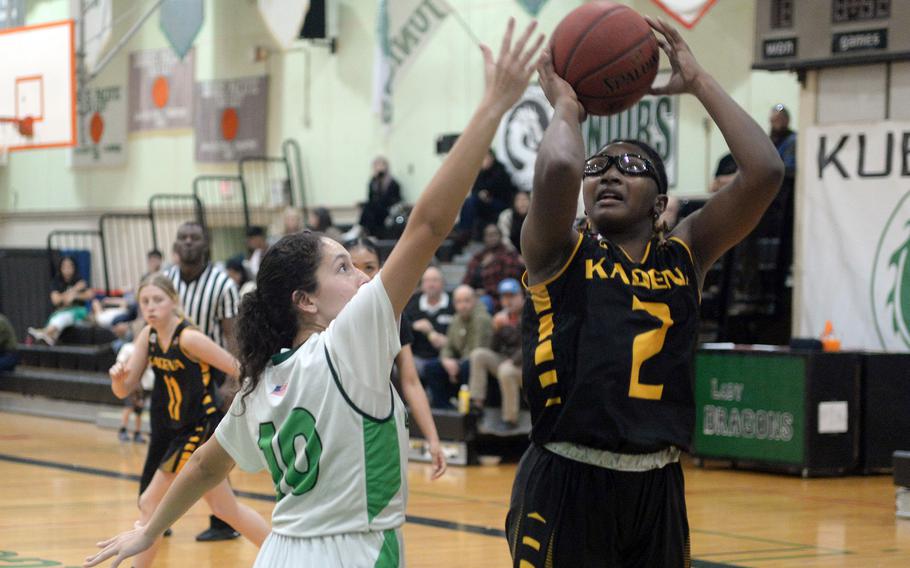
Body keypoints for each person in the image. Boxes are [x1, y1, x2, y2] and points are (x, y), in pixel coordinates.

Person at [83, 19, 542, 568]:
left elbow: (207, 465)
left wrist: (147, 530)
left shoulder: (262, 381)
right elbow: (428, 226)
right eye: (344, 267)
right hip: (355, 551)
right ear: (305, 299)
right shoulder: (349, 341)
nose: (364, 278)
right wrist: (493, 105)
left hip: (279, 553)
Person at [506, 18, 784, 567]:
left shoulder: (686, 255)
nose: (609, 173)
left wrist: (699, 81)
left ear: (661, 203)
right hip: (567, 477)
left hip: (657, 485)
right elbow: (561, 163)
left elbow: (766, 170)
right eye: (599, 166)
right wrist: (566, 105)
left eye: (630, 166)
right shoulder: (558, 250)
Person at [103, 273, 269, 566]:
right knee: (224, 508)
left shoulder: (189, 338)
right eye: (144, 301)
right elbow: (124, 390)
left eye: (158, 300)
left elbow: (238, 369)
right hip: (180, 429)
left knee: (150, 502)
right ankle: (283, 554)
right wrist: (117, 380)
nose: (151, 307)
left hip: (200, 428)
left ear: (173, 302)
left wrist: (246, 405)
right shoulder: (149, 336)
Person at [163, 221, 242, 541]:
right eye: (183, 238)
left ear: (206, 243)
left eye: (195, 238)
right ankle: (157, 512)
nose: (188, 243)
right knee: (167, 445)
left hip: (208, 378)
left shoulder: (222, 284)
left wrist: (231, 383)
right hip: (171, 375)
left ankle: (224, 521)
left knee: (208, 451)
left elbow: (232, 336)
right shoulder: (166, 280)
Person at [345, 236, 447, 477]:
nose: (361, 275)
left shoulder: (393, 316)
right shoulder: (327, 317)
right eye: (351, 267)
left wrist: (433, 440)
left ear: (381, 270)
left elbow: (410, 381)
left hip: (378, 425)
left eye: (369, 267)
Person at [468, 278, 524, 431]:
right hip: (508, 361)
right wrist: (496, 330)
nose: (508, 301)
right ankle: (477, 405)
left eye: (512, 296)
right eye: (504, 297)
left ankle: (510, 419)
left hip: (528, 366)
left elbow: (531, 345)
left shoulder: (530, 314)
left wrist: (512, 361)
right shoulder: (503, 317)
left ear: (521, 296)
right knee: (478, 355)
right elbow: (493, 348)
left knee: (506, 371)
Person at [424, 285, 492, 409]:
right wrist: (446, 360)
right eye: (459, 302)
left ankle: (469, 410)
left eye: (467, 301)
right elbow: (448, 346)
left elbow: (477, 351)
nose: (463, 305)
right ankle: (443, 408)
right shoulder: (456, 319)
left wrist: (456, 365)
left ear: (474, 301)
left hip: (478, 365)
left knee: (467, 366)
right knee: (431, 367)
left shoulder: (482, 319)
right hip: (460, 362)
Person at [28, 256, 95, 346]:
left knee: (65, 317)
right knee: (57, 318)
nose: (67, 270)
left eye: (70, 266)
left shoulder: (79, 280)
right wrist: (74, 290)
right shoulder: (57, 282)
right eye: (64, 267)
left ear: (74, 268)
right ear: (60, 268)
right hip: (61, 311)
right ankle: (47, 337)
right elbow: (55, 300)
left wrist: (73, 296)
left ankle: (45, 332)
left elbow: (90, 295)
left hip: (79, 312)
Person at [456, 149, 518, 243]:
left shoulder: (501, 172)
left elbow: (505, 194)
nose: (483, 161)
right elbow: (475, 191)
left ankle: (464, 231)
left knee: (471, 201)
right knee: (469, 202)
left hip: (500, 204)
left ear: (492, 158)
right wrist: (481, 195)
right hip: (484, 205)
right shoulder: (479, 174)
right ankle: (463, 231)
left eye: (485, 158)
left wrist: (488, 197)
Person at [403, 266, 455, 377]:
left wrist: (450, 342)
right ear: (422, 284)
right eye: (427, 281)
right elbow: (399, 326)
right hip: (417, 356)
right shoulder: (412, 303)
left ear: (443, 283)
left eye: (435, 280)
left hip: (445, 356)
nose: (431, 285)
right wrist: (413, 326)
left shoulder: (453, 304)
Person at [462, 223, 524, 311]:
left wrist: (487, 291)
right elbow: (466, 282)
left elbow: (512, 281)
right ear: (484, 238)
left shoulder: (510, 254)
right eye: (488, 235)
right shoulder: (479, 258)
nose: (492, 238)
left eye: (494, 234)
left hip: (507, 295)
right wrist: (481, 267)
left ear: (500, 236)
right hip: (484, 297)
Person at [359, 156, 402, 238]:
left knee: (370, 208)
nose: (378, 168)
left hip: (387, 210)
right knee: (368, 208)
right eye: (376, 166)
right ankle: (365, 231)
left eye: (380, 165)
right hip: (376, 211)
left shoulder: (393, 183)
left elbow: (393, 200)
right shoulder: (373, 181)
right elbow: (370, 198)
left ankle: (361, 228)